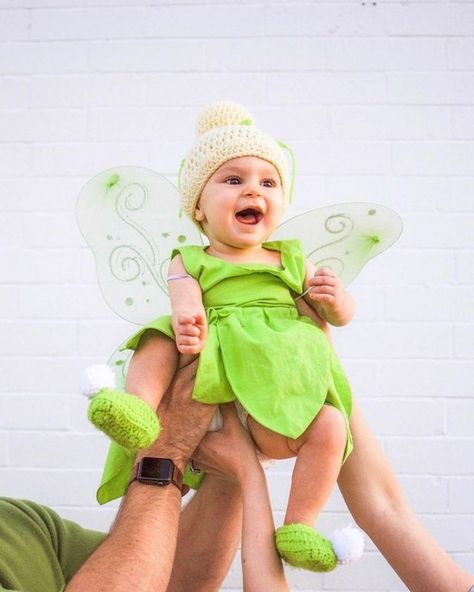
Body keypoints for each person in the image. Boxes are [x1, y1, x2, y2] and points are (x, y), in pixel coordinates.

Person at [87, 100, 357, 572]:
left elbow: (339, 314)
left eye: (267, 182)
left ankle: (299, 525)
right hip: (210, 373)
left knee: (332, 424)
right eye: (233, 179)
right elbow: (182, 294)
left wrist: (335, 300)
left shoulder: (290, 258)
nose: (254, 189)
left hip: (267, 405)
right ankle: (140, 408)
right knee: (159, 335)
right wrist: (188, 314)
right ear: (198, 206)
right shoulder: (189, 258)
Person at [1, 355, 472, 590]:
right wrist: (170, 454)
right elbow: (384, 509)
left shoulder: (23, 529)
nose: (252, 193)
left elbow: (167, 583)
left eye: (268, 182)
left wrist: (234, 467)